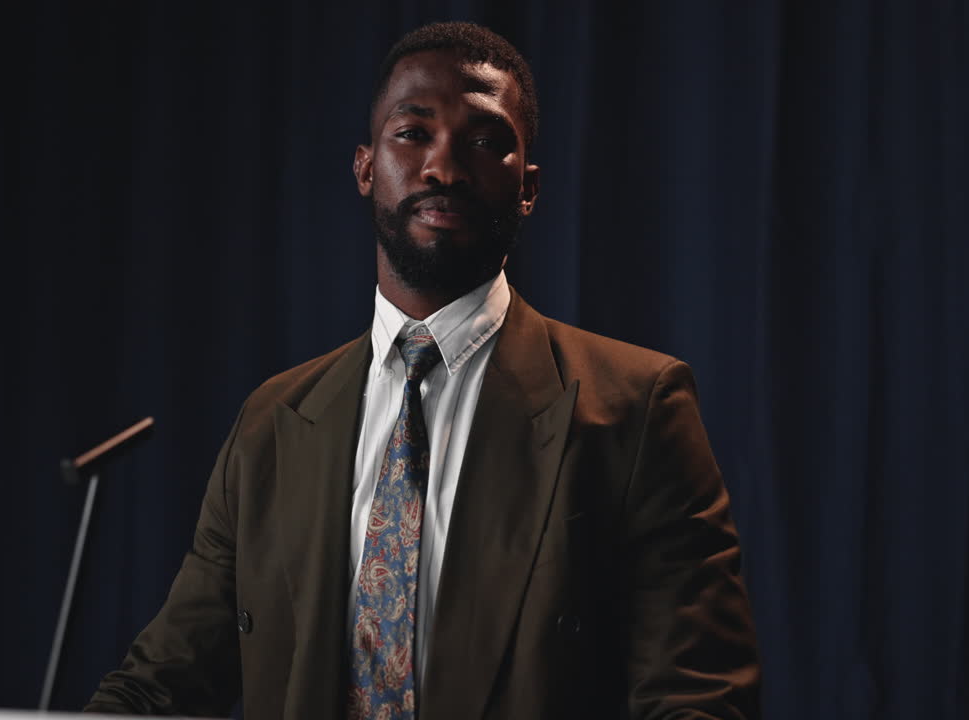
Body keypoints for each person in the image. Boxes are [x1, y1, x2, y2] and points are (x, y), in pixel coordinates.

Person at [87, 21, 760, 720]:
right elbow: (159, 685)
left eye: (484, 140)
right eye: (413, 133)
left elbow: (698, 697)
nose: (444, 168)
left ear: (528, 187)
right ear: (364, 167)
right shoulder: (274, 422)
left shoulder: (635, 409)